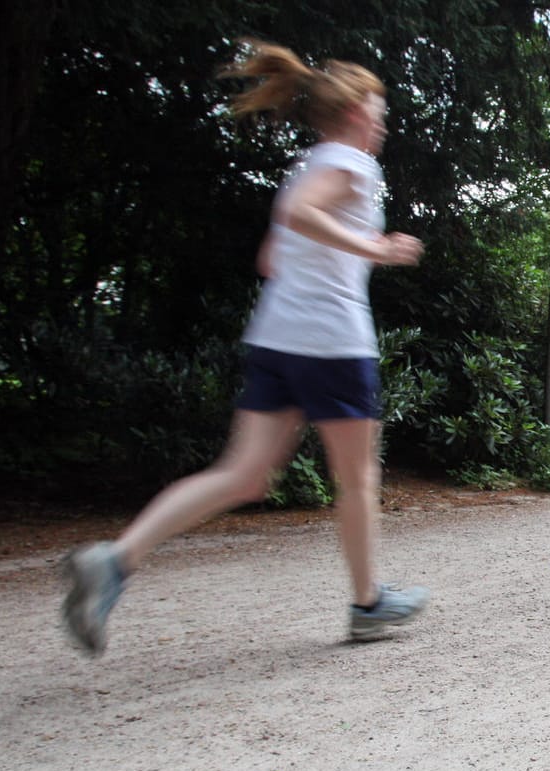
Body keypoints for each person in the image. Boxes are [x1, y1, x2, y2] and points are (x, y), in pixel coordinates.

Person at [62, 40, 429, 655]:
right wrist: (378, 249)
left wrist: (326, 249)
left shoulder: (310, 162)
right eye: (378, 108)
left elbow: (271, 254)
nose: (383, 121)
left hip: (278, 337)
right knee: (358, 477)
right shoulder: (352, 165)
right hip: (333, 343)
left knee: (243, 473)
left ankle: (116, 560)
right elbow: (296, 214)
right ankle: (368, 603)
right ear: (356, 114)